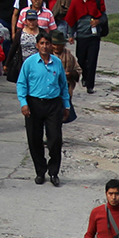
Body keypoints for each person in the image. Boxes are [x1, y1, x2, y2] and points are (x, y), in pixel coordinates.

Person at [18, 32, 72, 186]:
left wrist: (66, 105)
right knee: (34, 139)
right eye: (41, 43)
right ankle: (40, 171)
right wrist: (23, 103)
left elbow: (63, 85)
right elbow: (21, 83)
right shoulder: (29, 63)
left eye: (47, 43)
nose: (44, 46)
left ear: (51, 45)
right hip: (34, 104)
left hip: (53, 104)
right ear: (37, 45)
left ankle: (54, 172)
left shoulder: (56, 63)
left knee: (55, 139)